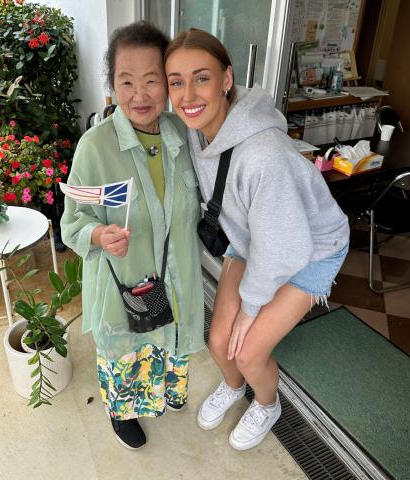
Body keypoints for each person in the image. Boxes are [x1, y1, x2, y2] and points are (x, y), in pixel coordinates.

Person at [165, 29, 350, 451]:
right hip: (253, 238)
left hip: (312, 249)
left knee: (247, 351)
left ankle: (267, 404)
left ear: (227, 79)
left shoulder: (264, 155)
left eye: (202, 78)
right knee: (218, 342)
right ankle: (234, 388)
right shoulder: (196, 127)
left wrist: (251, 308)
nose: (188, 93)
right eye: (177, 81)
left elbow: (288, 247)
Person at [60, 21, 205, 450]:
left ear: (167, 82)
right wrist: (99, 234)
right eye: (126, 81)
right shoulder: (95, 146)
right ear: (112, 85)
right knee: (127, 354)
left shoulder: (183, 133)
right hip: (126, 284)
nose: (139, 95)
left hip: (176, 279)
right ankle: (121, 412)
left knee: (168, 341)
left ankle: (162, 395)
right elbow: (72, 221)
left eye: (151, 80)